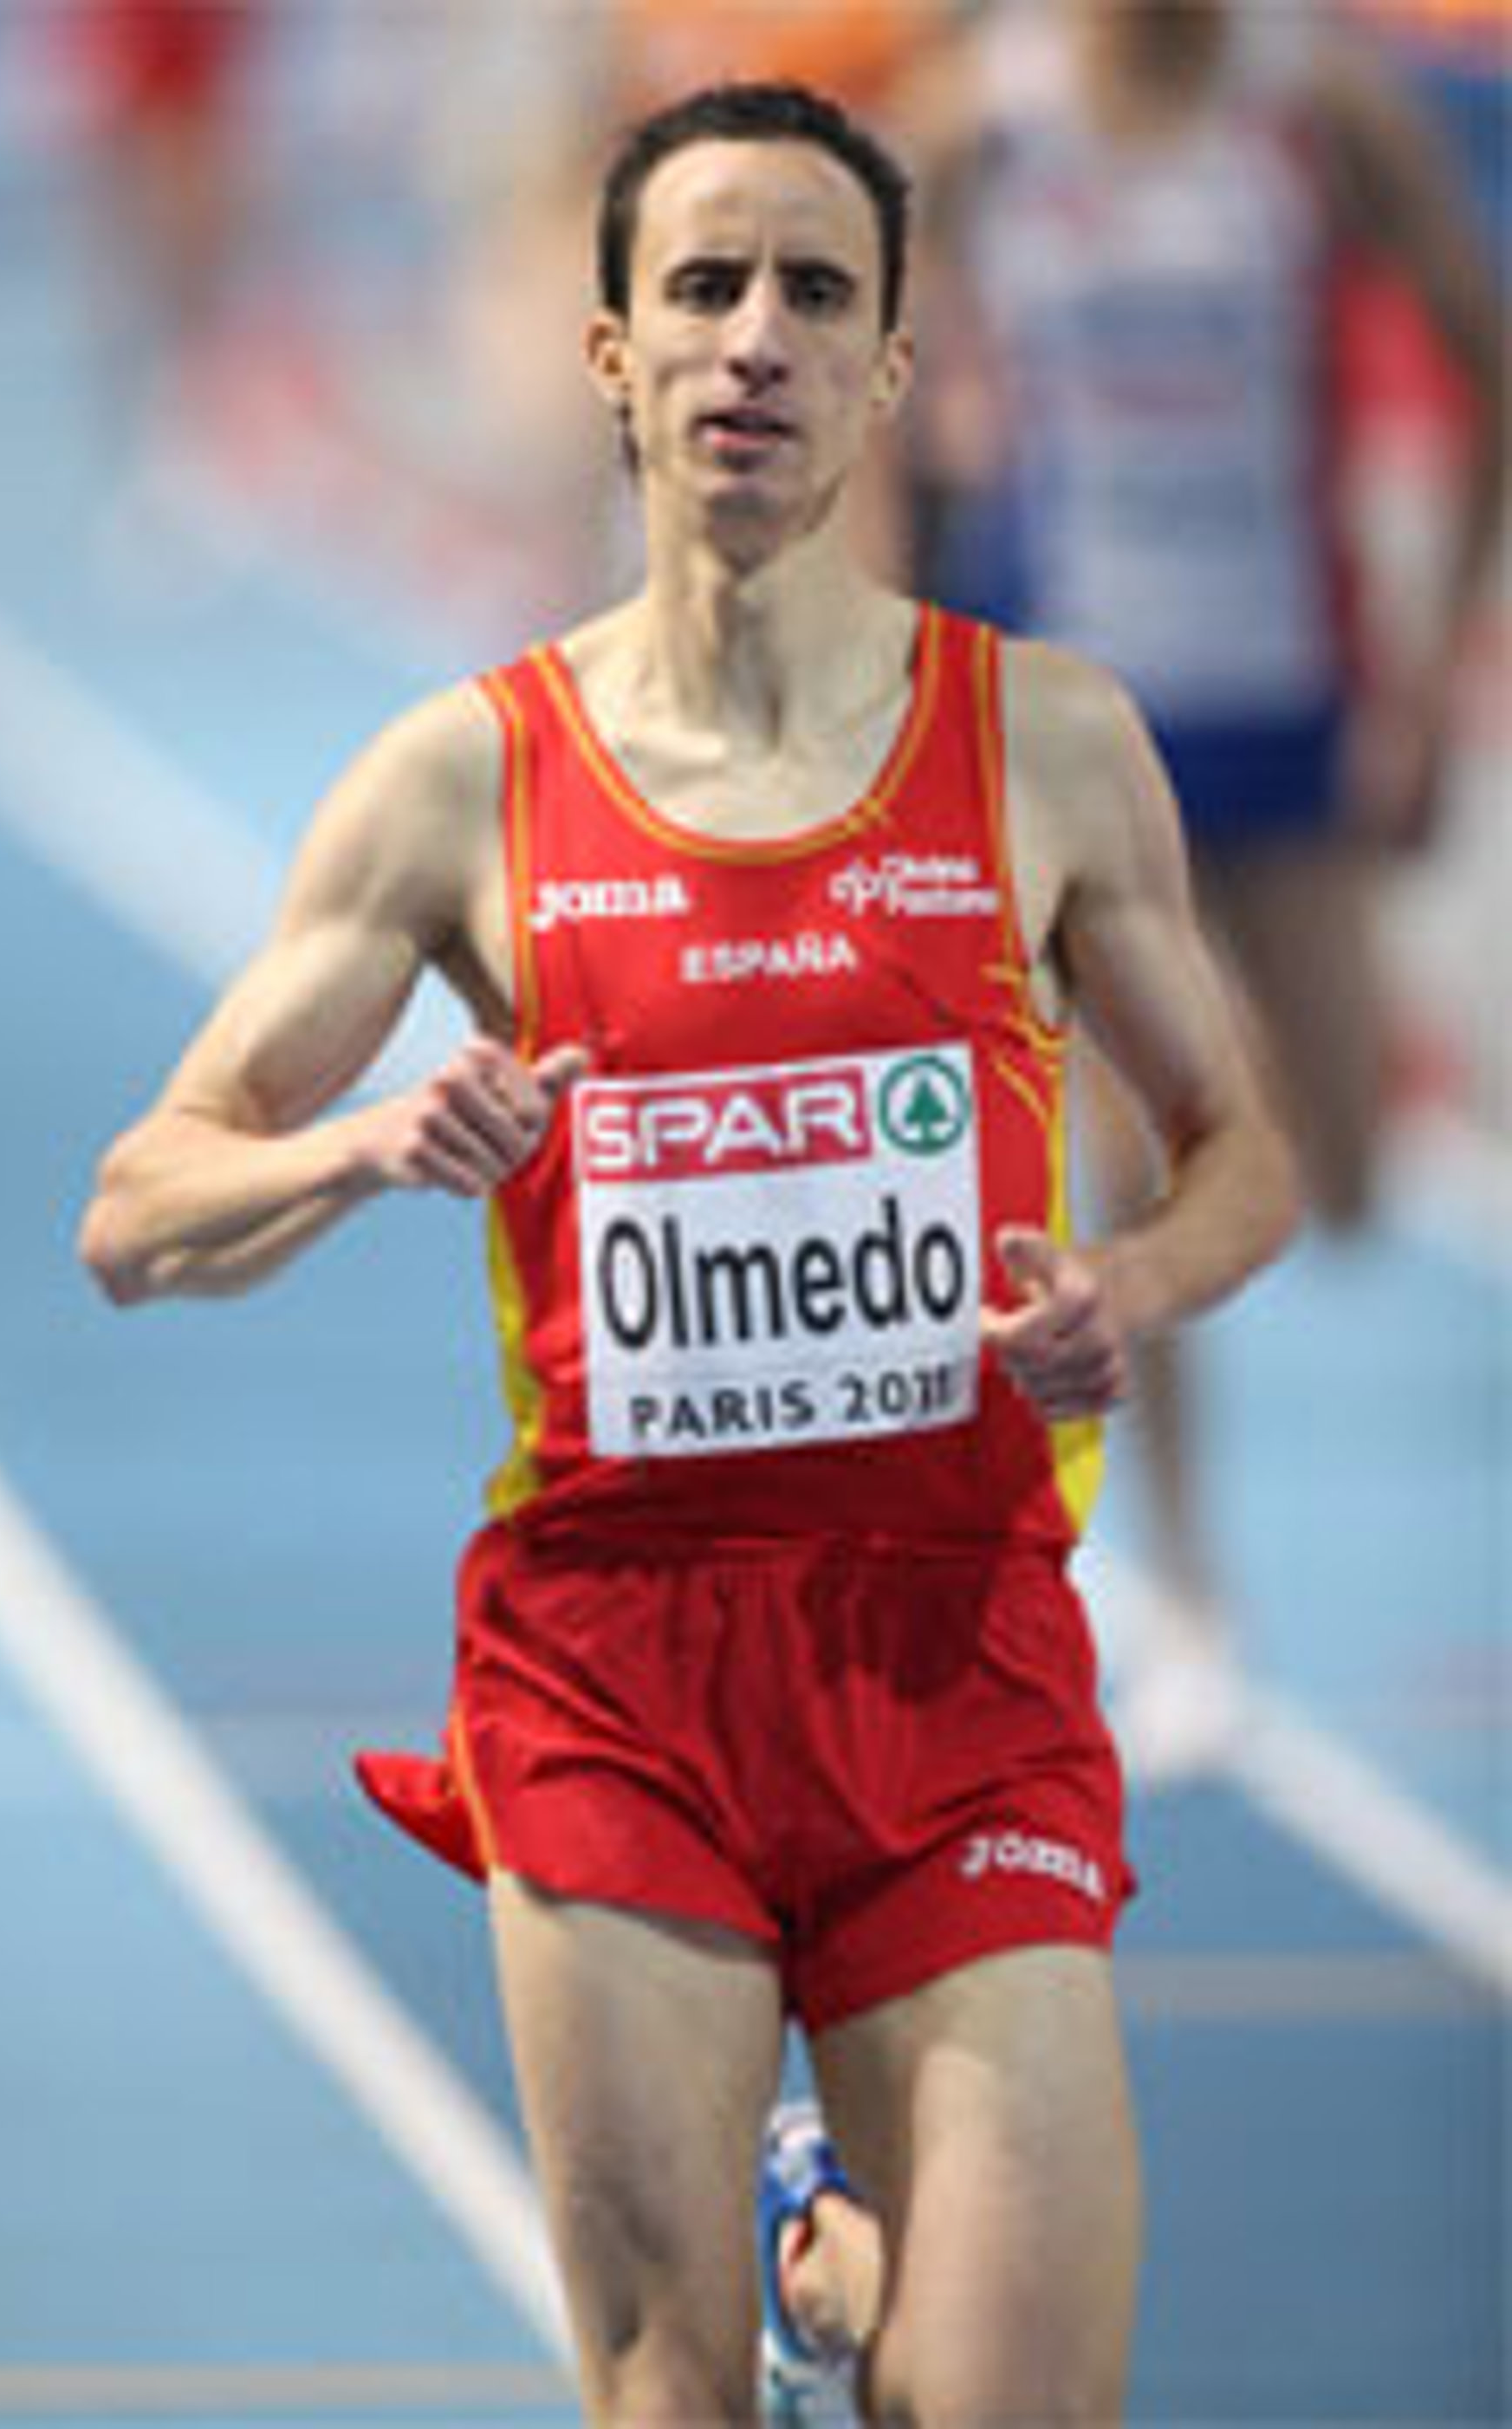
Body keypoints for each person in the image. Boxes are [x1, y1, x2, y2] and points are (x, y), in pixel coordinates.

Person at [79, 80, 1298, 2425]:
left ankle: (828, 2239)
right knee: (669, 2393)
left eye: (816, 295)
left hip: (960, 1653)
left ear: (894, 368)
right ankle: (789, 2256)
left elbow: (1245, 1152)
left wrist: (1127, 1286)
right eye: (705, 288)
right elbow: (136, 1211)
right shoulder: (466, 779)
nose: (757, 338)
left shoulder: (1046, 745)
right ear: (611, 356)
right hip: (619, 1662)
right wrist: (365, 1143)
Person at [889, 0, 1504, 1770]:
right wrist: (898, 595)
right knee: (1128, 1169)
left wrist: (1429, 664)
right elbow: (864, 362)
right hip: (1074, 708)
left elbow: (1483, 357)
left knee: (1349, 1176)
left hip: (1284, 686)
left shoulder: (1318, 110)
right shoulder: (985, 118)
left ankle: (1241, 1095)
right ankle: (1192, 1602)